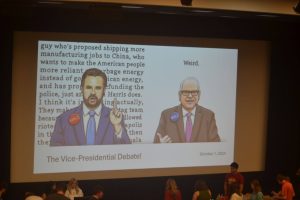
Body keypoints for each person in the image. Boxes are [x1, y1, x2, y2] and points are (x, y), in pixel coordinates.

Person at [50, 68, 131, 146]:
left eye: (98, 88)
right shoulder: (63, 120)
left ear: (104, 91)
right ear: (82, 89)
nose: (93, 92)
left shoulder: (115, 119)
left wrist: (117, 127)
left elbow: (128, 152)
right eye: (89, 87)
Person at [153, 77, 220, 143]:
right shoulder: (166, 115)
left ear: (199, 95)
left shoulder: (208, 115)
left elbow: (216, 144)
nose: (190, 96)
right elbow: (156, 142)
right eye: (186, 92)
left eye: (194, 92)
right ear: (179, 95)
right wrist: (160, 145)